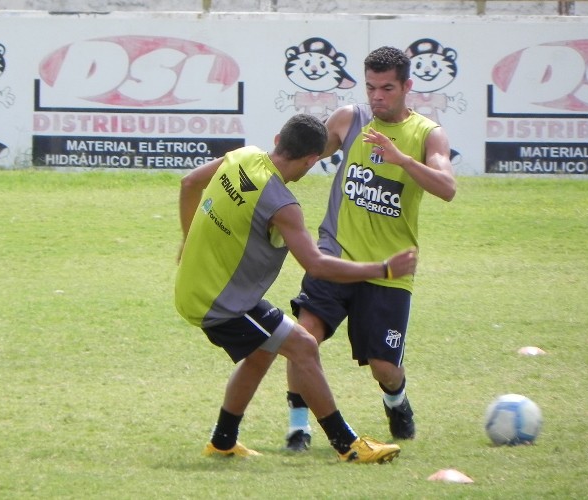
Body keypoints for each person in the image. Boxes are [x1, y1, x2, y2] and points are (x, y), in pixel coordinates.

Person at [175, 113, 418, 463]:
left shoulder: (243, 156)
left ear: (277, 139)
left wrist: (188, 237)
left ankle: (223, 441)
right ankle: (347, 445)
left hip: (194, 286)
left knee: (263, 352)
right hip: (220, 303)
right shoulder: (283, 205)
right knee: (303, 346)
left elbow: (188, 183)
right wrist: (384, 268)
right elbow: (317, 265)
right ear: (311, 160)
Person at [284, 47, 456, 452]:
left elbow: (447, 188)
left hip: (391, 269)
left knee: (384, 368)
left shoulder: (428, 134)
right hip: (336, 255)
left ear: (407, 87)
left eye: (387, 88)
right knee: (302, 339)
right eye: (371, 87)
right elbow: (304, 155)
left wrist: (401, 160)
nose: (377, 96)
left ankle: (396, 400)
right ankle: (297, 429)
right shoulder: (349, 119)